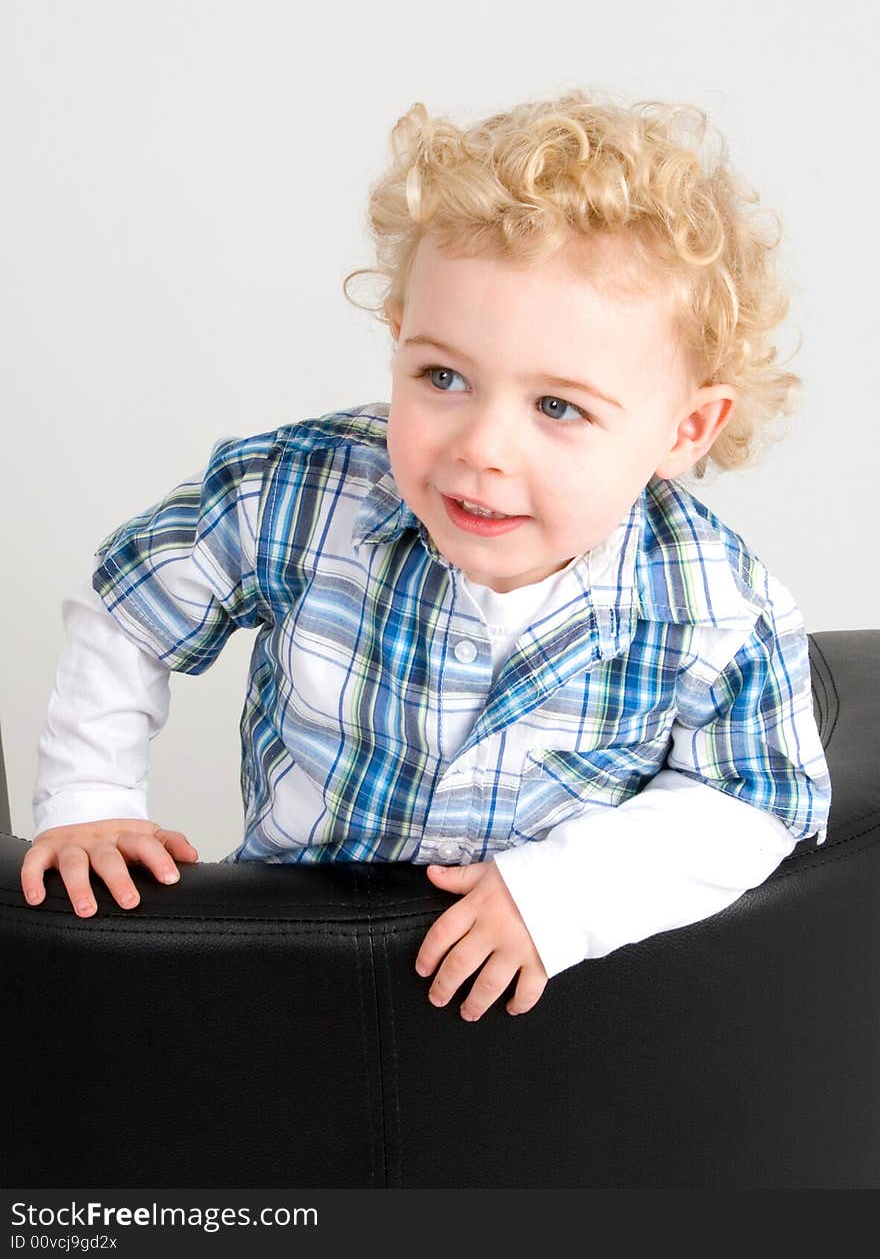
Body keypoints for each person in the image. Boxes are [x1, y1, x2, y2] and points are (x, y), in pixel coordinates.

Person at [23, 89, 831, 1023]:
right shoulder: (298, 489)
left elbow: (756, 799)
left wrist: (565, 892)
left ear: (686, 427)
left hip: (551, 997)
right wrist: (89, 794)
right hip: (302, 964)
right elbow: (131, 604)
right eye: (443, 376)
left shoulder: (716, 604)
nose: (481, 447)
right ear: (399, 332)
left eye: (557, 407)